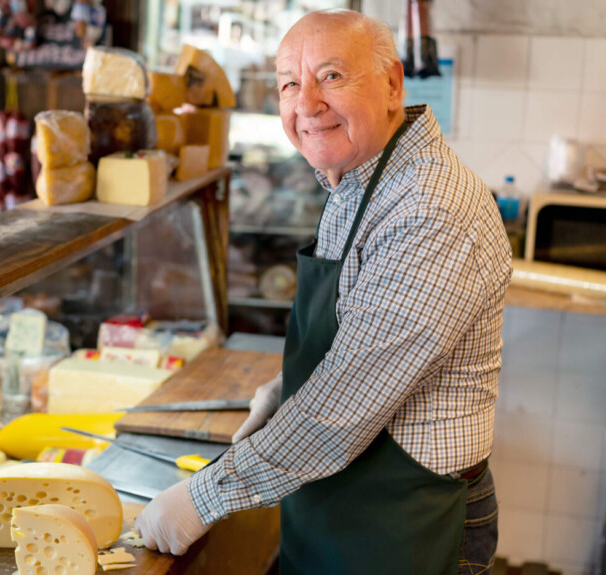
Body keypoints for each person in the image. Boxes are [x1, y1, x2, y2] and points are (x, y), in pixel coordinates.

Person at [134, 9, 512, 574]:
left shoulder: (431, 209)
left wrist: (202, 497)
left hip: (409, 521)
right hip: (351, 506)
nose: (306, 104)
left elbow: (343, 408)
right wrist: (287, 385)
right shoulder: (361, 177)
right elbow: (359, 333)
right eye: (290, 84)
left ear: (391, 85)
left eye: (332, 76)